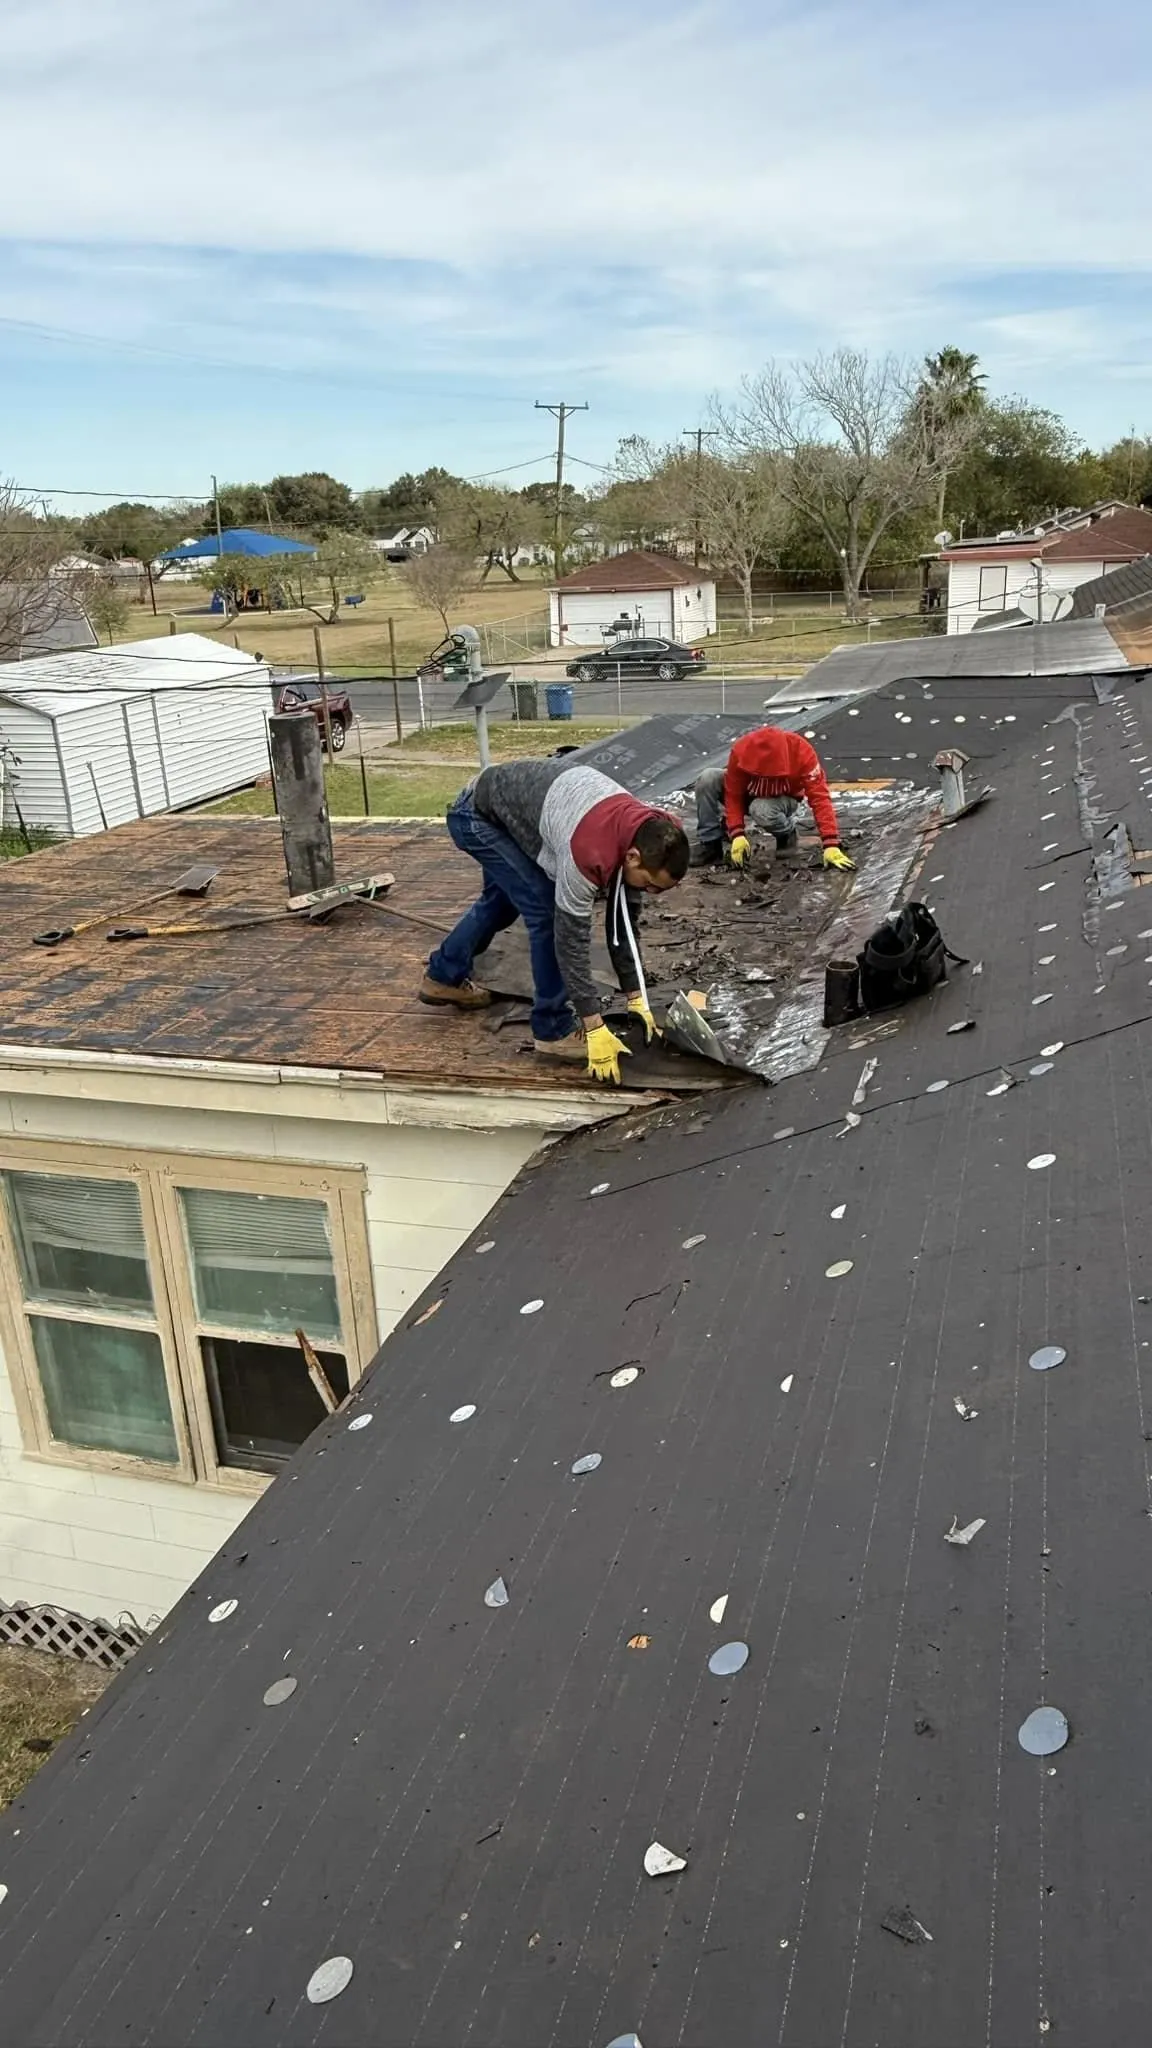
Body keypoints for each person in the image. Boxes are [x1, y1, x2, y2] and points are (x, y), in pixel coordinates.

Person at [420, 758, 690, 1084]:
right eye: (650, 885)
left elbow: (623, 925)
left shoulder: (648, 833)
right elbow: (569, 941)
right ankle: (553, 1029)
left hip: (508, 809)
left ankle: (442, 975)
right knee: (545, 914)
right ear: (632, 857)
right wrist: (594, 1025)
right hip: (476, 816)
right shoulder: (589, 852)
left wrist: (637, 997)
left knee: (502, 903)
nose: (650, 893)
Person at [693, 723, 856, 873]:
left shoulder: (801, 752)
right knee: (708, 778)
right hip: (749, 794)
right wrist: (737, 833)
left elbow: (820, 798)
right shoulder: (741, 750)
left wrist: (830, 843)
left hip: (782, 800)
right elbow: (733, 794)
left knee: (762, 809)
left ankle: (787, 834)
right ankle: (710, 845)